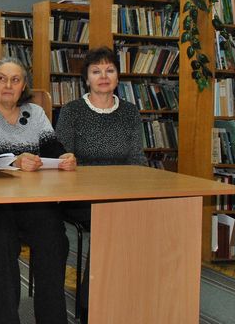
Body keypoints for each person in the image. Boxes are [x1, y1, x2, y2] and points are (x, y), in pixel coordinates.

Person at [0, 57, 75, 324]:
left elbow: (52, 148)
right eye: (2, 78)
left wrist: (65, 157)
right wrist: (15, 160)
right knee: (0, 241)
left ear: (24, 85)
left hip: (32, 201)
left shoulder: (35, 112)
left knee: (54, 238)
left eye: (15, 80)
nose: (8, 85)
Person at [54, 45, 147, 322]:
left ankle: (132, 297)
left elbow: (137, 157)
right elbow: (62, 157)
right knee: (112, 220)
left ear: (118, 76)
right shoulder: (72, 111)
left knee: (148, 217)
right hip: (79, 196)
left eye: (109, 70)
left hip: (122, 193)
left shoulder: (130, 112)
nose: (103, 76)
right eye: (96, 71)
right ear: (86, 79)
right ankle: (90, 304)